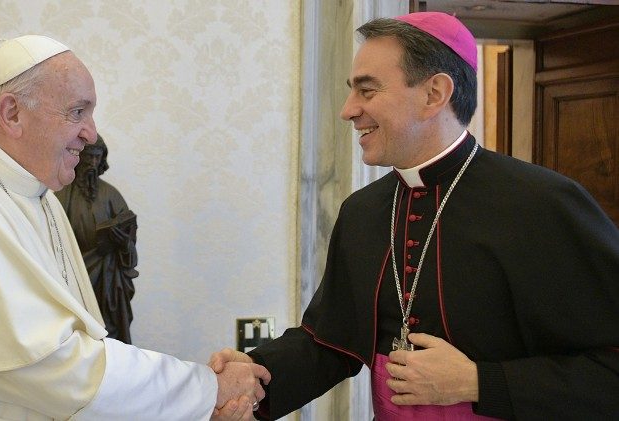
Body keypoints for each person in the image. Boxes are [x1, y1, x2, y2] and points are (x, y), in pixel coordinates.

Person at [209, 11, 619, 420]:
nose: (348, 110)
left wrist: (479, 381)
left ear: (434, 94)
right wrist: (254, 378)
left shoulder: (542, 204)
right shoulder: (364, 211)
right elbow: (330, 342)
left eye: (367, 91)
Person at [0, 34, 268, 420]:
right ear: (12, 113)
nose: (90, 133)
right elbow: (53, 366)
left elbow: (77, 349)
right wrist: (206, 390)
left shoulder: (38, 194)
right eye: (77, 112)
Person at [56, 133, 138, 344]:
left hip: (107, 279)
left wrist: (123, 243)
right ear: (79, 156)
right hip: (71, 276)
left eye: (97, 157)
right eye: (89, 156)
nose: (92, 162)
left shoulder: (112, 195)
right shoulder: (60, 194)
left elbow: (129, 243)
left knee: (108, 337)